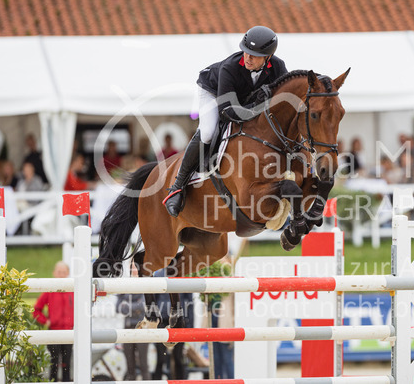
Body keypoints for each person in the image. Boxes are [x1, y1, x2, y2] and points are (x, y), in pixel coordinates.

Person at [164, 25, 288, 217]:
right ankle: (177, 186)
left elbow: (283, 102)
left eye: (254, 55)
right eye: (246, 51)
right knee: (207, 132)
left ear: (268, 57)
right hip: (213, 92)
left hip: (242, 100)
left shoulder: (278, 68)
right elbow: (226, 112)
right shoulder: (229, 68)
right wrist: (258, 106)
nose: (248, 58)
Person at [33, 261, 74, 382]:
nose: (61, 275)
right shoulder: (49, 290)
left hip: (68, 333)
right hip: (53, 332)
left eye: (64, 272)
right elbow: (36, 310)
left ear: (68, 273)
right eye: (59, 272)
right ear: (54, 273)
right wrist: (45, 321)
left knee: (67, 364)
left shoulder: (72, 290)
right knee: (54, 363)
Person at [116, 264, 151, 381]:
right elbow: (117, 307)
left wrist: (127, 306)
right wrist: (134, 307)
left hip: (142, 327)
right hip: (128, 327)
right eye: (132, 267)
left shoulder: (145, 283)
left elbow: (143, 306)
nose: (134, 269)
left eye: (135, 266)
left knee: (143, 364)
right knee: (129, 365)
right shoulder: (125, 284)